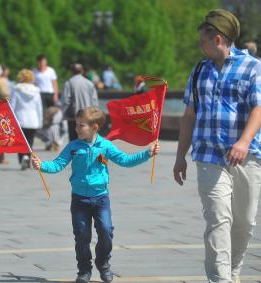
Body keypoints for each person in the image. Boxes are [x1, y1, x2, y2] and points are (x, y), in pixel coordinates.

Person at [173, 9, 261, 283]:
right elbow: (189, 115)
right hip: (208, 156)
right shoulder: (199, 70)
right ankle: (221, 279)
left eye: (203, 41)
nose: (200, 47)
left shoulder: (254, 67)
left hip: (246, 157)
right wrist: (180, 156)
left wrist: (243, 141)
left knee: (244, 223)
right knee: (217, 220)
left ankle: (233, 270)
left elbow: (259, 109)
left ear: (218, 39)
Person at [31, 107, 160, 283]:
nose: (76, 128)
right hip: (79, 200)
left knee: (106, 231)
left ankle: (103, 263)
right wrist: (42, 165)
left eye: (81, 125)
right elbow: (57, 165)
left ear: (94, 127)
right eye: (76, 124)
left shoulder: (105, 146)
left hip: (101, 199)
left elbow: (125, 160)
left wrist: (147, 153)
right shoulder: (73, 146)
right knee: (82, 236)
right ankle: (84, 270)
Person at [10, 69, 43, 170]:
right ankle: (27, 158)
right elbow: (39, 107)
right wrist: (40, 121)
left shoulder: (17, 89)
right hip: (33, 120)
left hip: (20, 119)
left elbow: (13, 106)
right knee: (30, 141)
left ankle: (22, 158)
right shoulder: (36, 91)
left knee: (20, 142)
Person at [62, 63, 99, 141]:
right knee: (87, 141)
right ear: (82, 71)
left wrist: (64, 115)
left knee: (74, 142)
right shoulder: (89, 83)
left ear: (72, 71)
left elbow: (65, 101)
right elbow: (95, 101)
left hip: (73, 118)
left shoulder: (69, 83)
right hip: (88, 116)